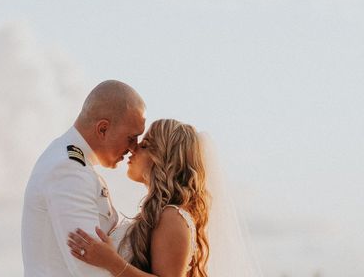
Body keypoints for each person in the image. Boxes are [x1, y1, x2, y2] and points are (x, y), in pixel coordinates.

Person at [67, 119, 262, 277]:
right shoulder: (160, 214)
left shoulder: (172, 216)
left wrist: (111, 262)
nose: (132, 149)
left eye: (144, 145)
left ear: (162, 157)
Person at [22, 80, 147, 277]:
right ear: (103, 129)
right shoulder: (69, 171)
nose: (133, 148)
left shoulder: (73, 163)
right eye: (131, 138)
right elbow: (90, 272)